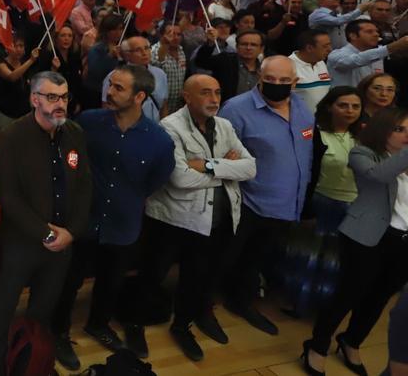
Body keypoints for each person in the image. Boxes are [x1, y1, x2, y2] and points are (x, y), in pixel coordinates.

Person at [52, 66, 175, 366]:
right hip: (83, 221)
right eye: (110, 85)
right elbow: (69, 159)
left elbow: (157, 179)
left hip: (123, 223)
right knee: (69, 281)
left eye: (119, 88)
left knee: (110, 280)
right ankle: (58, 333)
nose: (109, 91)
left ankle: (98, 323)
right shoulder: (89, 122)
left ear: (139, 96)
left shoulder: (159, 141)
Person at [136, 73, 256, 361]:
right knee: (153, 275)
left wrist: (206, 165)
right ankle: (135, 323)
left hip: (214, 219)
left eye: (217, 92)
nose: (214, 99)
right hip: (174, 220)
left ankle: (182, 325)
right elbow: (180, 178)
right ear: (187, 97)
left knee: (197, 276)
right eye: (205, 93)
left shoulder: (225, 125)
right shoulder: (170, 126)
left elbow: (251, 168)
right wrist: (228, 169)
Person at [0, 72, 92, 373]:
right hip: (23, 241)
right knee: (5, 304)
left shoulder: (75, 133)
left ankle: (33, 357)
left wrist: (71, 232)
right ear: (35, 99)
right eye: (52, 97)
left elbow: (85, 186)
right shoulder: (12, 135)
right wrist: (45, 233)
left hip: (63, 242)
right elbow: (8, 195)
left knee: (44, 306)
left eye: (64, 97)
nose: (60, 104)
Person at [303, 107, 408, 376]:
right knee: (348, 294)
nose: (406, 135)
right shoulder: (363, 154)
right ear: (382, 130)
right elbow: (378, 176)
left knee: (379, 298)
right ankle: (317, 345)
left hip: (403, 241)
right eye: (400, 129)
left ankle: (351, 341)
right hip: (366, 236)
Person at [218, 55, 313, 336]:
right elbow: (220, 154)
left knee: (257, 258)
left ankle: (241, 299)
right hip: (249, 202)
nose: (277, 85)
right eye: (270, 79)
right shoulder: (236, 109)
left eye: (284, 81)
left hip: (288, 203)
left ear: (294, 82)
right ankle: (206, 304)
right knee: (227, 256)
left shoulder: (302, 108)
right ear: (260, 77)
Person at [307, 86, 363, 234]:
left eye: (356, 106)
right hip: (323, 202)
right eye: (343, 105)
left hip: (358, 203)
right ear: (329, 107)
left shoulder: (365, 136)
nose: (350, 110)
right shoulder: (316, 134)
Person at [328, 19, 408, 87]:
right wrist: (392, 47)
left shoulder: (377, 55)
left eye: (377, 31)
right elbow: (355, 60)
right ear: (353, 36)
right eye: (369, 32)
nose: (376, 34)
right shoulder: (337, 54)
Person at [103, 36, 167, 120]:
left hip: (154, 126)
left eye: (146, 48)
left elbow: (164, 105)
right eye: (138, 50)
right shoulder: (115, 76)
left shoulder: (160, 74)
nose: (144, 53)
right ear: (127, 55)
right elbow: (106, 106)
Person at [195, 27, 264, 101]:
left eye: (253, 45)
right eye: (244, 44)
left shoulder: (265, 68)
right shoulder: (225, 60)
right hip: (227, 109)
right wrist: (210, 43)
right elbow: (201, 62)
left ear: (261, 49)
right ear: (237, 47)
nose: (248, 48)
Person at [289, 28, 332, 110]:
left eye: (330, 45)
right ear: (309, 48)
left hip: (322, 120)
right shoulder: (287, 65)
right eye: (325, 46)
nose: (330, 49)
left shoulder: (321, 62)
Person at [151, 22, 188, 110]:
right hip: (160, 106)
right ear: (162, 35)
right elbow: (157, 64)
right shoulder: (154, 50)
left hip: (178, 105)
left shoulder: (181, 51)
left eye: (178, 34)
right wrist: (164, 46)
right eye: (171, 34)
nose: (175, 37)